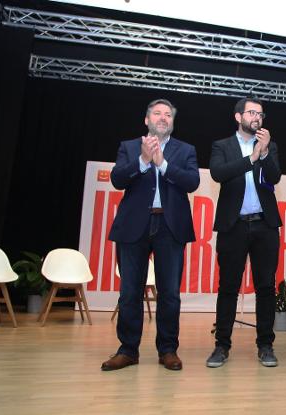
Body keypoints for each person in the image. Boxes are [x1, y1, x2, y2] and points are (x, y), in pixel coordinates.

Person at [102, 99, 200, 371]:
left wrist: (164, 164)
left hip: (170, 226)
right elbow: (118, 179)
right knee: (130, 292)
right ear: (146, 120)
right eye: (157, 113)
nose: (163, 118)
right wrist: (144, 160)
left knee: (169, 294)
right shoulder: (130, 147)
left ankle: (168, 350)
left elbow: (192, 182)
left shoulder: (185, 150)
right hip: (135, 225)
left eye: (168, 115)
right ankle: (128, 350)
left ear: (172, 122)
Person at [206, 97, 282, 368]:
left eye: (260, 114)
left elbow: (273, 177)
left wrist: (263, 153)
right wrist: (250, 157)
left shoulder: (269, 146)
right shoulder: (222, 146)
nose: (257, 118)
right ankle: (221, 346)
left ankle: (266, 345)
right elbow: (218, 173)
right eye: (252, 113)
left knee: (265, 287)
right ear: (238, 117)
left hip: (265, 225)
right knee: (228, 287)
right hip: (233, 225)